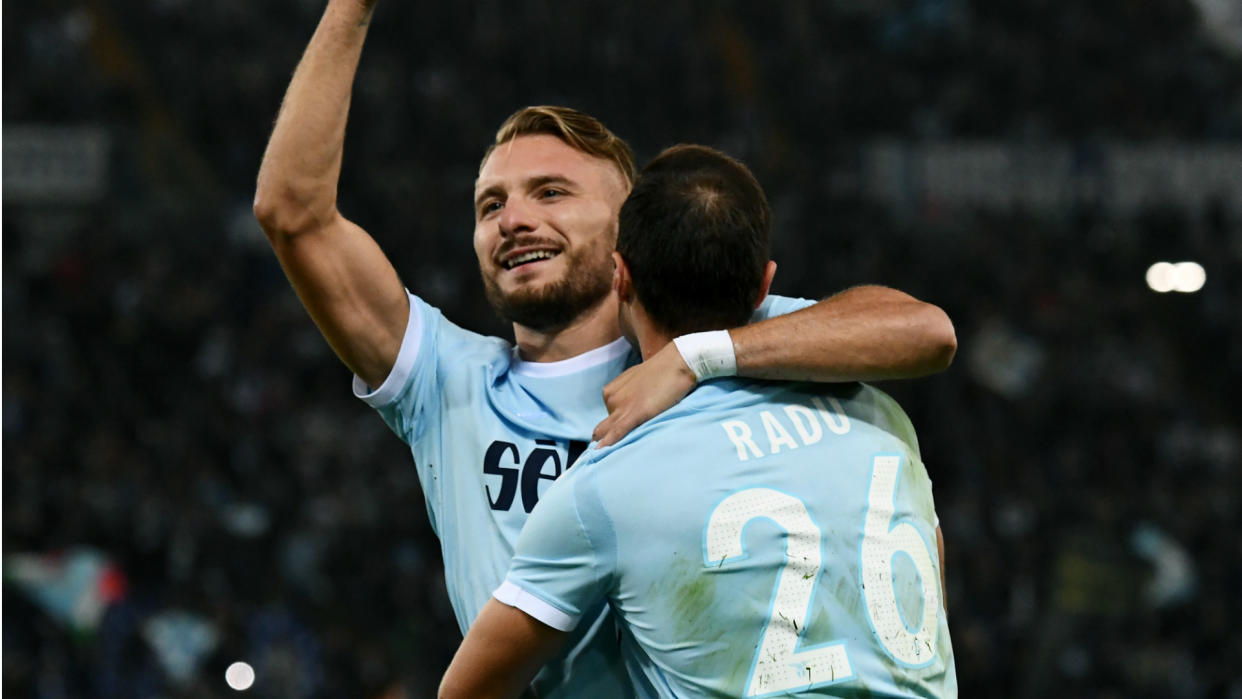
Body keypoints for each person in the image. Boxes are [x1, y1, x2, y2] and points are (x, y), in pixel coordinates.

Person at [253, 1, 956, 694]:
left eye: (550, 192)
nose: (514, 219)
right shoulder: (446, 381)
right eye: (489, 205)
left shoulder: (721, 332)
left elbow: (917, 327)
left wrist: (696, 356)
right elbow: (293, 212)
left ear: (627, 233)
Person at [440, 145, 956, 698]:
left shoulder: (606, 485)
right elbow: (929, 597)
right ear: (765, 285)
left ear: (620, 277)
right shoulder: (881, 421)